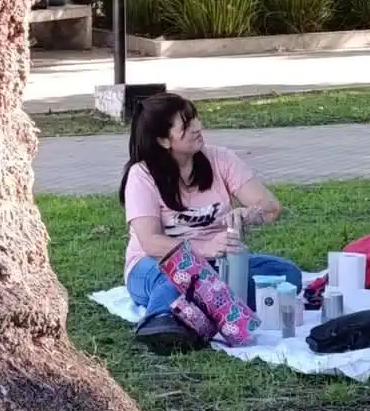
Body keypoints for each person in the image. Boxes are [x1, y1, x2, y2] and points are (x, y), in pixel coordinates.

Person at [120, 92, 302, 353]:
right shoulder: (142, 175)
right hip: (156, 264)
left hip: (218, 266)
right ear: (163, 140)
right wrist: (205, 249)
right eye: (186, 125)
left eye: (195, 119)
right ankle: (162, 322)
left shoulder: (220, 159)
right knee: (176, 280)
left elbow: (271, 207)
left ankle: (194, 314)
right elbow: (150, 242)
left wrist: (249, 214)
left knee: (287, 275)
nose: (198, 127)